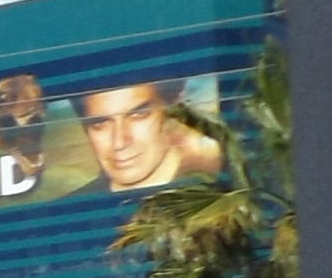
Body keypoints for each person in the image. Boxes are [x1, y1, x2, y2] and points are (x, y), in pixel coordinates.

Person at [78, 81, 227, 194]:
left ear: (174, 109)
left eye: (138, 115)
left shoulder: (223, 188)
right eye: (100, 123)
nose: (119, 143)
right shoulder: (73, 209)